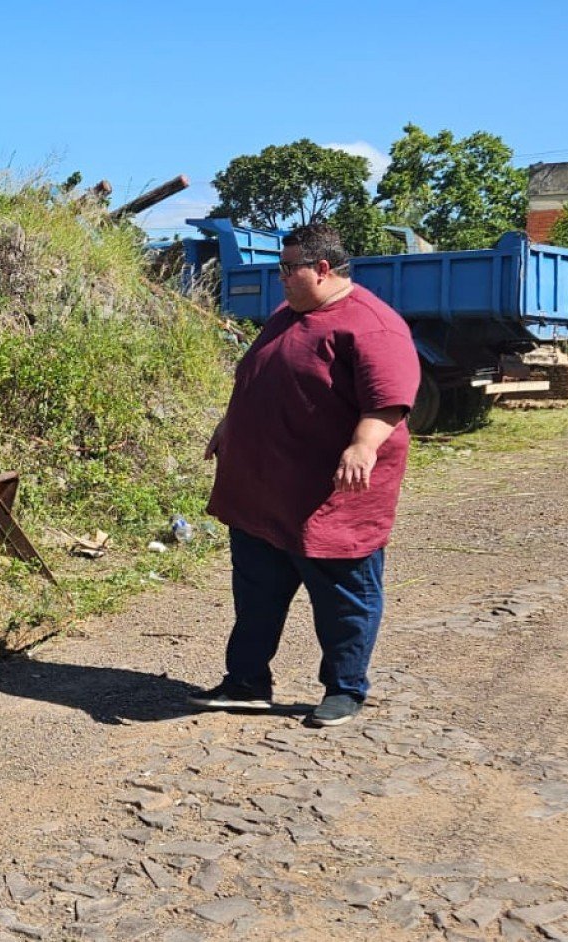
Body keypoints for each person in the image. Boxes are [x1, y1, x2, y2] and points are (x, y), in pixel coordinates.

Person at [190, 223, 419, 727]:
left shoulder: (371, 325)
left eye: (286, 269)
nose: (279, 279)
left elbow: (390, 402)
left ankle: (345, 687)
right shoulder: (287, 316)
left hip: (329, 499)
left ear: (321, 269)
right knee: (256, 597)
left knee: (344, 600)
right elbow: (262, 376)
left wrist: (362, 446)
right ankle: (247, 683)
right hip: (263, 494)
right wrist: (230, 425)